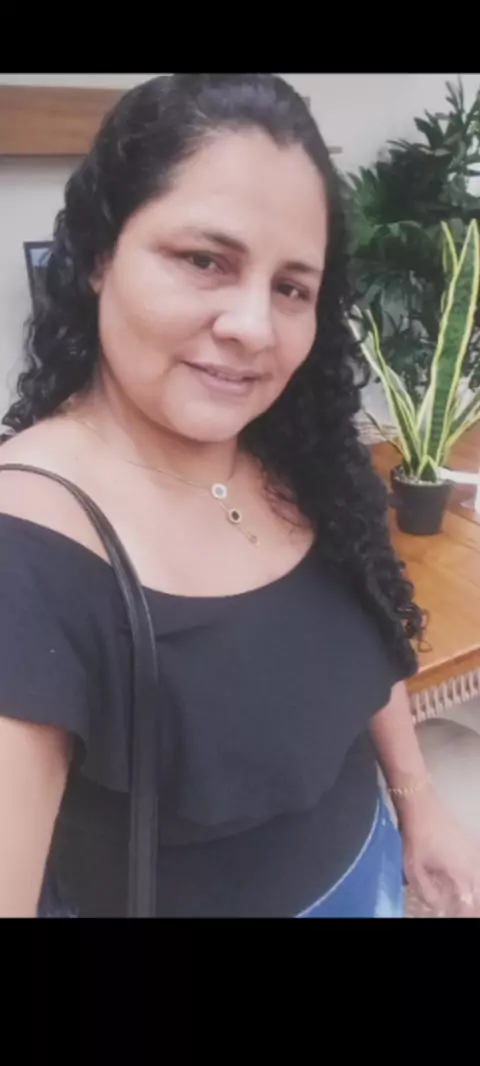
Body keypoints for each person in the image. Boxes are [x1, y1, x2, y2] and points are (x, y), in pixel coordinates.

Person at [0, 73, 479, 919]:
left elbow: (363, 645)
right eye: (204, 260)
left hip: (371, 872)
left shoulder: (304, 458)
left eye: (292, 287)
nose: (254, 327)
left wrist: (418, 802)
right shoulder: (25, 552)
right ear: (101, 256)